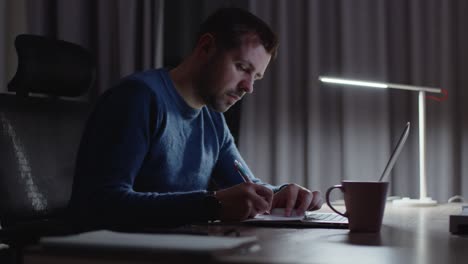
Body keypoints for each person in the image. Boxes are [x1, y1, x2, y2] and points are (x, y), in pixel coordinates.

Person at [68, 7, 322, 229]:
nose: (248, 87)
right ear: (206, 47)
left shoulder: (212, 119)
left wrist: (282, 194)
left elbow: (246, 184)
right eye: (243, 68)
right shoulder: (137, 98)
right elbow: (100, 204)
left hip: (179, 249)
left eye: (256, 77)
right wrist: (211, 205)